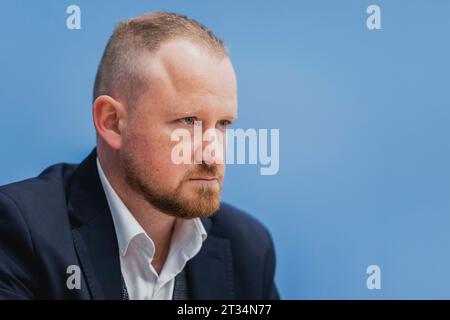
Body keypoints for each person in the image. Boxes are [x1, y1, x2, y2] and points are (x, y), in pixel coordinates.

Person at [0, 12, 279, 300]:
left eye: (223, 124)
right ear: (111, 122)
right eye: (187, 121)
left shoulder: (248, 249)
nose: (213, 153)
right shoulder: (21, 232)